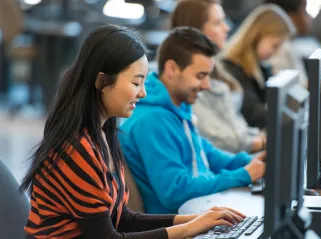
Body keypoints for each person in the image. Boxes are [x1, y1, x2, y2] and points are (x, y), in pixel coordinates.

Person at [20, 25, 248, 239]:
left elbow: (123, 219)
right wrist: (188, 229)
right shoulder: (76, 149)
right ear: (102, 81)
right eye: (136, 83)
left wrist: (197, 219)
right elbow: (108, 237)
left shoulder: (104, 134)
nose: (143, 94)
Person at [118, 27, 266, 214]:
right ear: (172, 69)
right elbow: (176, 191)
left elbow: (208, 154)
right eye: (200, 76)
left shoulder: (177, 107)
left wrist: (250, 162)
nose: (207, 85)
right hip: (181, 221)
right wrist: (243, 175)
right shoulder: (152, 121)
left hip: (201, 210)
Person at [170, 0, 266, 153]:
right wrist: (260, 142)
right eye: (217, 23)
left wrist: (260, 137)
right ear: (196, 31)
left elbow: (234, 123)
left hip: (235, 157)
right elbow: (213, 136)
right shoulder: (186, 80)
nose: (226, 28)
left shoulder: (217, 67)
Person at [221, 4, 296, 129]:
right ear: (257, 36)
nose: (276, 52)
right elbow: (252, 113)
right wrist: (287, 120)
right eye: (274, 46)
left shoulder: (260, 66)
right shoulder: (232, 67)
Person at [264, 0, 311, 87]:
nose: (309, 17)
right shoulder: (279, 49)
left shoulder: (288, 44)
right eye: (304, 11)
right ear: (290, 17)